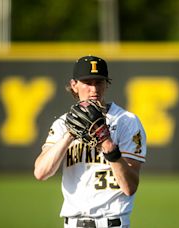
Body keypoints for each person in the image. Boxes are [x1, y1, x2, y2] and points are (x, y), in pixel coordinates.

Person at [34, 55, 147, 228]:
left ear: (106, 84)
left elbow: (130, 186)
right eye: (87, 82)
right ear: (74, 85)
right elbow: (41, 172)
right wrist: (70, 134)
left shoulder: (126, 121)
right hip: (73, 224)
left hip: (112, 222)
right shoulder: (62, 124)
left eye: (99, 82)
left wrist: (108, 144)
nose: (94, 89)